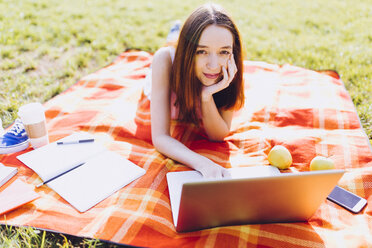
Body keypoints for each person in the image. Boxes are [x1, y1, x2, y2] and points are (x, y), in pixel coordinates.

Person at [149, 3, 245, 178]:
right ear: (188, 52)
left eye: (223, 52)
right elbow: (160, 137)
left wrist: (206, 96)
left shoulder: (230, 67)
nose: (214, 65)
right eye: (201, 51)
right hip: (172, 63)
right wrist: (203, 163)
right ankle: (176, 32)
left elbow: (218, 135)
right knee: (169, 45)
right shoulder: (164, 61)